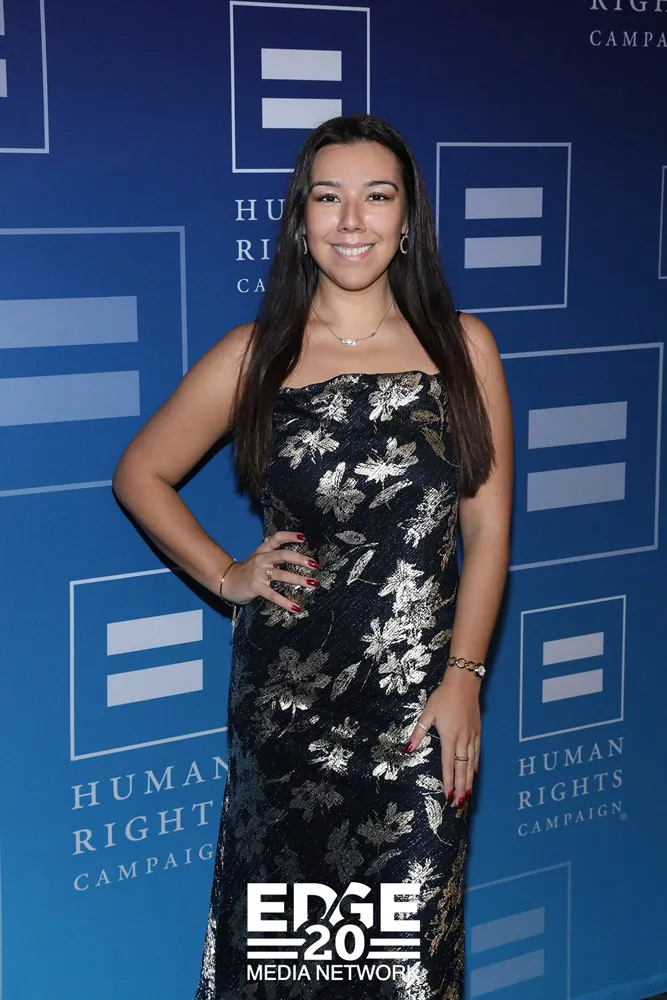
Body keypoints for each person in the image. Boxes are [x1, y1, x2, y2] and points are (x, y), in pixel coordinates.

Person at [112, 113, 513, 1000]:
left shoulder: (465, 349)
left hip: (417, 705)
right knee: (288, 958)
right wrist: (228, 574)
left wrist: (463, 677)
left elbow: (486, 531)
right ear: (300, 219)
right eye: (327, 198)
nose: (352, 220)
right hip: (288, 706)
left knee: (404, 962)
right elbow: (140, 473)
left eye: (377, 196)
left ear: (407, 219)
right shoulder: (257, 353)